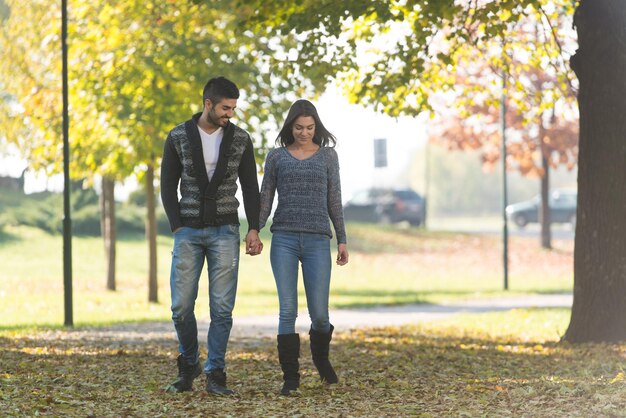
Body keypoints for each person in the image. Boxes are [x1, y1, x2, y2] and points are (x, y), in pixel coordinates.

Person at [161, 76, 263, 396]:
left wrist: (254, 228)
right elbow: (166, 184)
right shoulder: (178, 136)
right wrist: (177, 225)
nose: (229, 114)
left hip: (225, 230)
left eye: (233, 108)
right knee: (180, 306)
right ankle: (189, 361)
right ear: (207, 103)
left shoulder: (241, 139)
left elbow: (250, 187)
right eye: (224, 107)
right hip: (188, 231)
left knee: (221, 308)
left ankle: (215, 372)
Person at [259, 99, 349, 396]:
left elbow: (334, 199)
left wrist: (342, 239)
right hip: (283, 238)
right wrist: (253, 230)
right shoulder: (276, 157)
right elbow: (265, 198)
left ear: (317, 127)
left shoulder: (327, 157)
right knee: (287, 310)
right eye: (298, 127)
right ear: (290, 126)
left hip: (317, 240)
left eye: (310, 128)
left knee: (319, 314)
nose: (304, 133)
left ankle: (321, 360)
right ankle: (291, 378)